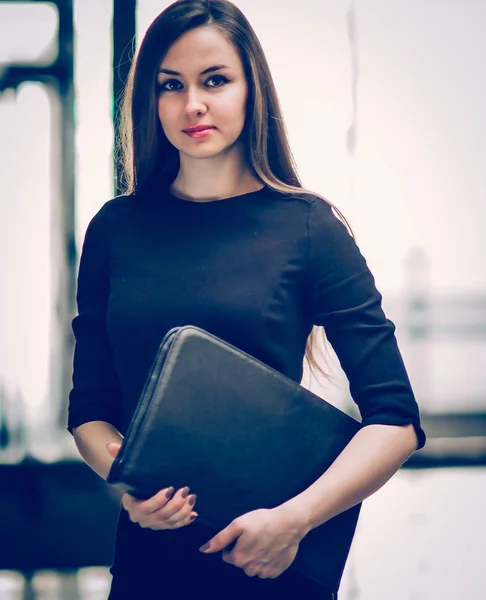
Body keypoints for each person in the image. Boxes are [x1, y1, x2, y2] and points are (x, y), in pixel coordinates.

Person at [67, 0, 427, 598]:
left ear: (250, 88)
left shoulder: (309, 227)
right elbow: (89, 411)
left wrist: (295, 520)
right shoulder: (114, 229)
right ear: (150, 102)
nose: (193, 104)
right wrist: (127, 480)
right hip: (147, 567)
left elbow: (395, 422)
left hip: (271, 564)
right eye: (170, 86)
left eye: (215, 80)